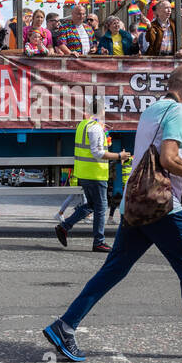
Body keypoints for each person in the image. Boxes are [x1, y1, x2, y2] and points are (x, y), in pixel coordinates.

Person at [43, 65, 182, 361]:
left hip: (135, 203)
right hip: (161, 206)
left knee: (114, 269)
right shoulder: (177, 112)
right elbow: (170, 160)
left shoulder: (153, 109)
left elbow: (178, 155)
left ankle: (65, 326)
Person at [54, 96, 131, 253]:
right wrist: (118, 156)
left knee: (91, 205)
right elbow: (97, 153)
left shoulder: (83, 125)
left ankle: (64, 226)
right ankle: (99, 242)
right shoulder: (95, 127)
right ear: (101, 111)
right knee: (101, 207)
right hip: (95, 174)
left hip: (84, 172)